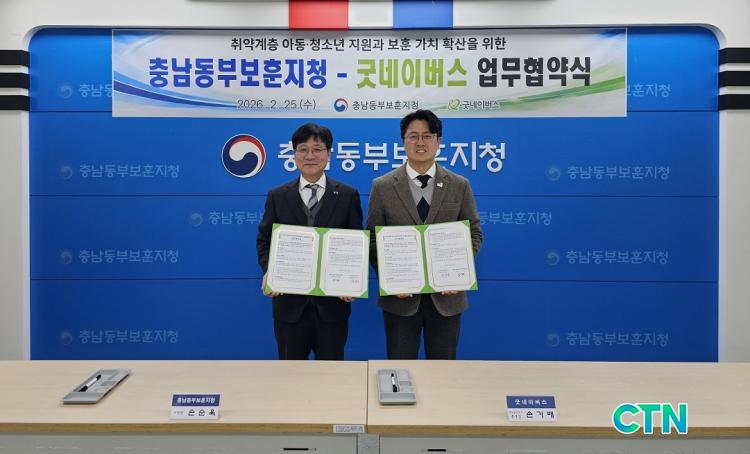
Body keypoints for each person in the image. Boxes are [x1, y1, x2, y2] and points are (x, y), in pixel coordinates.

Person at [366, 110, 482, 360]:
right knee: (400, 368)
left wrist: (458, 272)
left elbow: (474, 232)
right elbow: (372, 238)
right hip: (399, 301)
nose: (420, 142)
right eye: (413, 136)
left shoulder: (459, 185)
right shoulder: (383, 186)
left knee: (443, 372)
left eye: (427, 136)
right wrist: (390, 278)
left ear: (439, 141)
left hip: (447, 301)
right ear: (403, 141)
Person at [257, 123, 363, 360]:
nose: (310, 156)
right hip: (289, 307)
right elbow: (264, 241)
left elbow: (356, 243)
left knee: (332, 373)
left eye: (317, 149)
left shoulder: (347, 195)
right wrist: (270, 271)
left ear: (329, 154)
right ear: (294, 154)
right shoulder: (278, 196)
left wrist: (351, 280)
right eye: (303, 149)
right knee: (290, 374)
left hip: (333, 307)